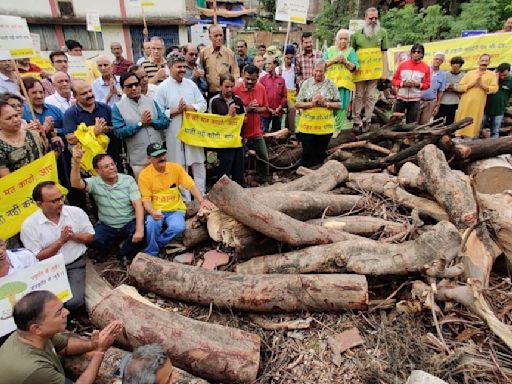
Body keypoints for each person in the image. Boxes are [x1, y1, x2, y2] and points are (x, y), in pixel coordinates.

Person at [0, 290, 123, 384]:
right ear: (36, 328)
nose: (67, 312)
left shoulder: (29, 335)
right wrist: (100, 352)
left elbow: (65, 345)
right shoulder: (34, 369)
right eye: (59, 313)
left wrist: (93, 344)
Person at [20, 181, 95, 310]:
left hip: (74, 265)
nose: (60, 203)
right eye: (54, 201)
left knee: (73, 301)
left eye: (61, 198)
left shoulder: (75, 212)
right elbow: (37, 256)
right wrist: (61, 241)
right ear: (39, 204)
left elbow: (91, 237)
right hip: (46, 270)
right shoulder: (29, 225)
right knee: (42, 305)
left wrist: (72, 236)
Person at [70, 150, 145, 266]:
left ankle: (123, 253)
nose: (111, 168)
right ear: (97, 171)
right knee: (92, 240)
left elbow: (138, 205)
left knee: (144, 233)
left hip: (128, 222)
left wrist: (140, 229)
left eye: (112, 164)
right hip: (107, 225)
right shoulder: (94, 182)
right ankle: (110, 247)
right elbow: (75, 183)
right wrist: (76, 162)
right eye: (106, 166)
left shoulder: (128, 180)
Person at [138, 143, 214, 257]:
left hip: (175, 209)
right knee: (151, 225)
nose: (161, 157)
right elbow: (146, 199)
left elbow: (191, 185)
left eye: (163, 154)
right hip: (156, 210)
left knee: (178, 226)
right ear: (149, 158)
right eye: (157, 156)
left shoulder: (175, 168)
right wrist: (152, 212)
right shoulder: (144, 175)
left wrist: (202, 200)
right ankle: (152, 253)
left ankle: (159, 244)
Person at [155, 53, 208, 197]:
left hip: (193, 131)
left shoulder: (191, 84)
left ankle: (201, 196)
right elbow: (158, 112)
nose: (182, 70)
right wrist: (177, 111)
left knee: (198, 164)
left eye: (184, 67)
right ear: (170, 67)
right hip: (174, 132)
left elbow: (203, 104)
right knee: (179, 166)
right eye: (179, 67)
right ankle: (186, 199)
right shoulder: (162, 88)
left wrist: (191, 107)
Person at [112, 72, 169, 179]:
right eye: (129, 86)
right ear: (123, 89)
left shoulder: (151, 101)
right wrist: (140, 124)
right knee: (145, 191)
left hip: (159, 155)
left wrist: (151, 122)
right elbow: (119, 132)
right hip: (139, 159)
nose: (134, 88)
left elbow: (165, 122)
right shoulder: (118, 108)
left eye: (136, 84)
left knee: (165, 187)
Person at [63, 79, 123, 173]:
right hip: (88, 165)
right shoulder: (70, 114)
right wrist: (93, 132)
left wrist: (105, 129)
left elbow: (117, 129)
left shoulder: (105, 108)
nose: (89, 95)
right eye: (84, 93)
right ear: (75, 96)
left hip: (111, 159)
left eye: (90, 91)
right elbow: (70, 139)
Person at [295, 60, 341, 167]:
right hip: (308, 126)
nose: (318, 74)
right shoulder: (306, 83)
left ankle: (319, 172)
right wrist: (311, 103)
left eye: (321, 71)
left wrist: (325, 103)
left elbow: (339, 104)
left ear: (325, 71)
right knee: (307, 152)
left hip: (324, 127)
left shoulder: (331, 84)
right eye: (316, 71)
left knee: (320, 153)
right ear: (312, 71)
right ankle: (304, 173)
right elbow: (297, 104)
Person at [351, 7, 390, 129]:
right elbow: (352, 53)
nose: (373, 20)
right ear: (365, 18)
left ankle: (367, 119)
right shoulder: (356, 35)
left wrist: (385, 72)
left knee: (371, 96)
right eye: (370, 18)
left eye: (376, 18)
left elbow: (384, 53)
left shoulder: (382, 33)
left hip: (374, 73)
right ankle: (356, 120)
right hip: (360, 72)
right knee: (358, 96)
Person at [234, 64, 269, 185]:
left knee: (263, 156)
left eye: (253, 80)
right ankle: (240, 182)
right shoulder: (236, 89)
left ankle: (264, 180)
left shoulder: (261, 88)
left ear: (258, 77)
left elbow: (265, 107)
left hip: (256, 131)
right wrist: (247, 109)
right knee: (241, 159)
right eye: (247, 79)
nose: (249, 82)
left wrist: (257, 109)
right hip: (241, 132)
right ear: (243, 75)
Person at [209, 74, 245, 186]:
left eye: (231, 86)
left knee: (238, 165)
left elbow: (243, 119)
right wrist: (228, 116)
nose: (229, 89)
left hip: (236, 139)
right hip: (223, 141)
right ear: (220, 86)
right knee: (225, 164)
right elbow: (211, 123)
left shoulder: (238, 100)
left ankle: (239, 189)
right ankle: (221, 190)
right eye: (226, 86)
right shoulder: (214, 101)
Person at [455, 54, 499, 139]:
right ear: (478, 61)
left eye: (486, 61)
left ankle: (471, 137)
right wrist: (471, 84)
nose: (484, 62)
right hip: (465, 102)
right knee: (462, 118)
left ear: (489, 63)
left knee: (475, 119)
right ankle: (458, 135)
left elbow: (495, 88)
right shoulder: (470, 73)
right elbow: (459, 87)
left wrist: (482, 85)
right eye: (482, 60)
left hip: (478, 104)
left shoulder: (491, 75)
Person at [324, 28, 359, 130]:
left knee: (342, 107)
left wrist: (346, 61)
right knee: (329, 106)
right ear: (336, 39)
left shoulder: (351, 51)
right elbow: (322, 64)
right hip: (329, 85)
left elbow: (355, 68)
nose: (343, 41)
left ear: (349, 41)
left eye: (345, 39)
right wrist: (334, 60)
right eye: (341, 38)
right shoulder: (330, 50)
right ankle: (327, 128)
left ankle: (338, 129)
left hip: (344, 85)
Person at [0, 101, 46, 177]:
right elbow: (6, 178)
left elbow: (46, 159)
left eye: (16, 115)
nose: (15, 120)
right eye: (9, 118)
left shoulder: (33, 134)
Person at [392, 44, 431, 124]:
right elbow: (394, 80)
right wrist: (403, 83)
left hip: (415, 99)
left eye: (418, 52)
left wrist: (418, 84)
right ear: (411, 53)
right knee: (395, 121)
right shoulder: (402, 65)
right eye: (413, 51)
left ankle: (408, 137)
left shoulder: (426, 67)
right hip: (401, 98)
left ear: (422, 54)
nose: (416, 53)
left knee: (411, 122)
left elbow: (427, 84)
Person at [199, 25, 239, 98]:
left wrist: (232, 89)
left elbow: (235, 73)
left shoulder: (230, 53)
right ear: (210, 37)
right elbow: (201, 71)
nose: (219, 38)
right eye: (216, 36)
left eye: (221, 35)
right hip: (211, 93)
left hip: (227, 94)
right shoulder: (204, 52)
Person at [481, 63, 512, 138]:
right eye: (500, 74)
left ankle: (494, 146)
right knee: (479, 127)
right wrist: (496, 78)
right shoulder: (492, 77)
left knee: (495, 130)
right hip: (486, 107)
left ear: (508, 71)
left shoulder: (511, 80)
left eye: (504, 75)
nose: (502, 76)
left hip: (499, 109)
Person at [417, 52, 447, 125]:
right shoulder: (424, 69)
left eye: (440, 60)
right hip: (418, 100)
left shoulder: (443, 74)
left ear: (442, 62)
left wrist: (437, 105)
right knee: (413, 121)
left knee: (424, 123)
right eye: (436, 59)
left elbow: (440, 91)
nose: (437, 61)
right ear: (433, 59)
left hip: (430, 102)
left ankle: (420, 136)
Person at [260, 56, 287, 133]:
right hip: (266, 112)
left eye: (269, 64)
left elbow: (284, 96)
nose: (267, 66)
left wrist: (280, 107)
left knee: (277, 133)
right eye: (266, 64)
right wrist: (269, 109)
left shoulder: (281, 80)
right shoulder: (263, 80)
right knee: (263, 132)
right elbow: (261, 97)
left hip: (278, 112)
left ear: (275, 65)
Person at [436, 56, 465, 125]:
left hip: (455, 102)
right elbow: (440, 87)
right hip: (443, 101)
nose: (455, 65)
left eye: (457, 63)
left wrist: (455, 88)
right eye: (453, 63)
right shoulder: (445, 74)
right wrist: (448, 87)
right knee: (437, 121)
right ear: (451, 64)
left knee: (450, 122)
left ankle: (447, 135)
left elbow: (463, 88)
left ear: (460, 65)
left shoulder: (464, 76)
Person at [278, 44, 297, 132]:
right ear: (283, 56)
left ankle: (291, 131)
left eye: (291, 58)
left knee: (292, 109)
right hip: (281, 95)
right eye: (287, 58)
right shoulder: (279, 69)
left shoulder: (294, 68)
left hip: (291, 94)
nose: (289, 60)